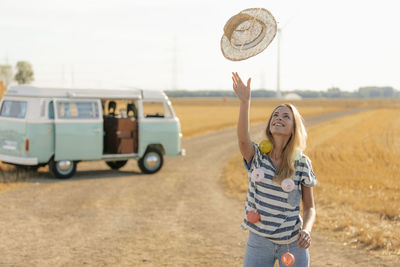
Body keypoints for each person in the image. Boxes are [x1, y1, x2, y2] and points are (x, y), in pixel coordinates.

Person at [232, 72, 317, 267]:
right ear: (270, 125)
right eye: (275, 115)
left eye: (286, 116)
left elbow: (309, 207)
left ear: (294, 128)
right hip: (259, 241)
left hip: (293, 242)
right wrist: (245, 102)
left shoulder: (302, 163)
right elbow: (243, 139)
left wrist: (306, 230)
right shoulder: (256, 157)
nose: (278, 118)